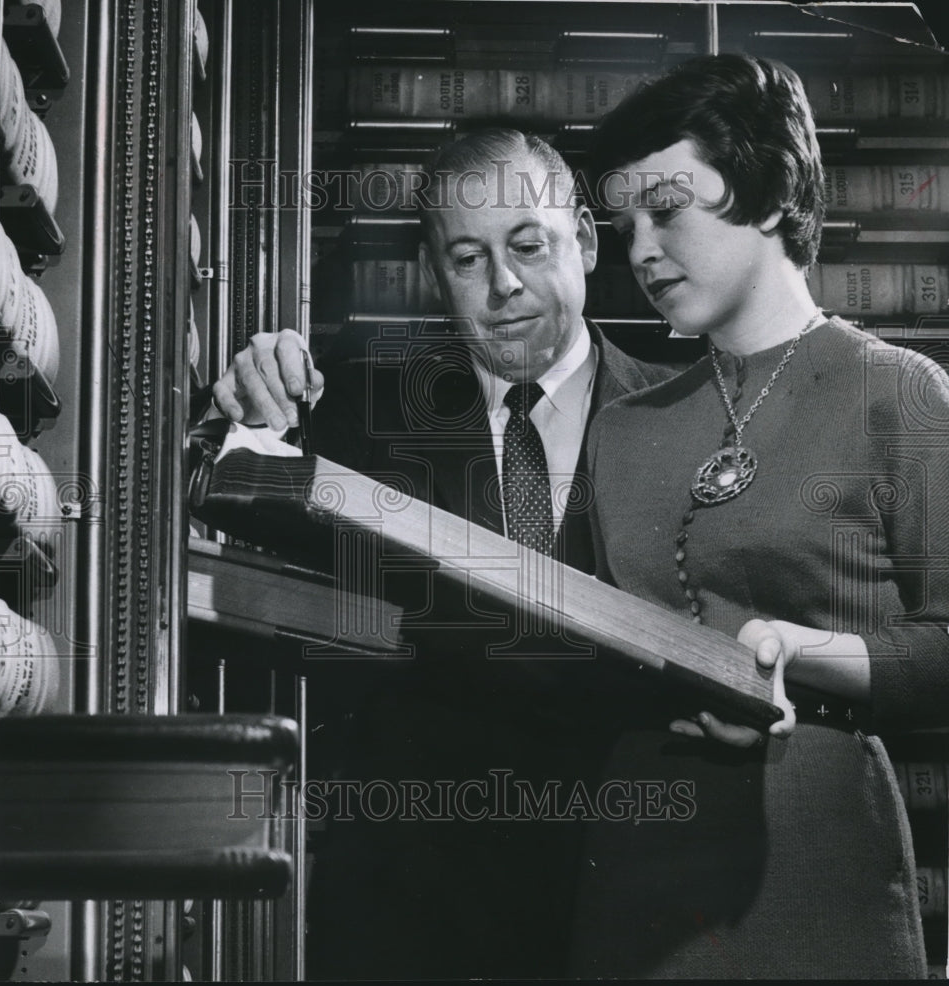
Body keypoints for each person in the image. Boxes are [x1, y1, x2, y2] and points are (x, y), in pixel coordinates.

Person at [209, 128, 671, 979]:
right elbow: (230, 482)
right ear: (434, 273)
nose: (502, 285)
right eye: (467, 258)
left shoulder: (686, 421)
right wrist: (246, 402)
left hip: (632, 910)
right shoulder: (360, 407)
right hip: (411, 917)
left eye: (528, 246)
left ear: (587, 240)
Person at [572, 52, 949, 979]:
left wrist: (795, 650)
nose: (643, 250)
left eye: (668, 210)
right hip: (637, 857)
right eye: (626, 226)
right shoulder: (620, 428)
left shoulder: (898, 394)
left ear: (772, 193)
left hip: (812, 852)